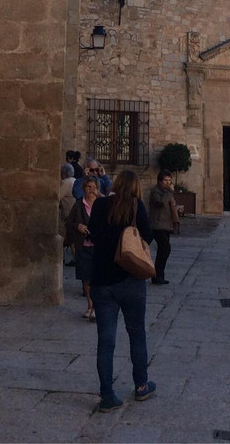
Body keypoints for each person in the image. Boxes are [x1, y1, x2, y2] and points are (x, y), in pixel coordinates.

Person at [88, 169, 156, 412]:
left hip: (101, 280)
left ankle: (107, 395)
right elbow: (149, 236)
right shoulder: (136, 207)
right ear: (136, 187)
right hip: (130, 280)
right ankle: (141, 385)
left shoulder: (99, 205)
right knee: (136, 333)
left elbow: (93, 234)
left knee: (105, 340)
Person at [66, 176, 101, 319]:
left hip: (99, 247)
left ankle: (95, 306)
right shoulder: (78, 205)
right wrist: (78, 226)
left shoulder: (102, 204)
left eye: (94, 187)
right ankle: (90, 305)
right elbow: (69, 223)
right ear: (84, 188)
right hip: (83, 246)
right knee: (86, 278)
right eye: (89, 187)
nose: (92, 190)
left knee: (97, 278)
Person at [148, 170, 179, 285]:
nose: (168, 183)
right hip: (157, 225)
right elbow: (161, 203)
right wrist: (170, 192)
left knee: (163, 250)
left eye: (169, 180)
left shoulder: (167, 192)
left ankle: (159, 275)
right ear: (160, 181)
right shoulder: (155, 191)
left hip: (166, 225)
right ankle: (157, 275)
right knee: (165, 248)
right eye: (165, 180)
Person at [60, 163, 77, 265]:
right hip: (73, 212)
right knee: (71, 237)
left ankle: (62, 257)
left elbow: (58, 195)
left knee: (64, 236)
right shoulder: (74, 180)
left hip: (67, 213)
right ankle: (75, 258)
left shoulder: (65, 182)